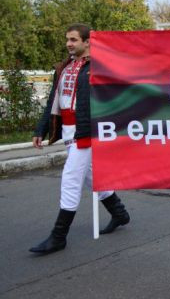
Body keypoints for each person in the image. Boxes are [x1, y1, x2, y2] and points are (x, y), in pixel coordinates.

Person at [30, 23, 130, 255]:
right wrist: (40, 130)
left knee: (71, 178)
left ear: (87, 42)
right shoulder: (63, 67)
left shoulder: (98, 67)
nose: (69, 43)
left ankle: (58, 236)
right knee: (89, 176)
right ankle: (119, 212)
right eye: (67, 39)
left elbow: (115, 95)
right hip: (67, 129)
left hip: (85, 129)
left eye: (74, 39)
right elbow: (53, 101)